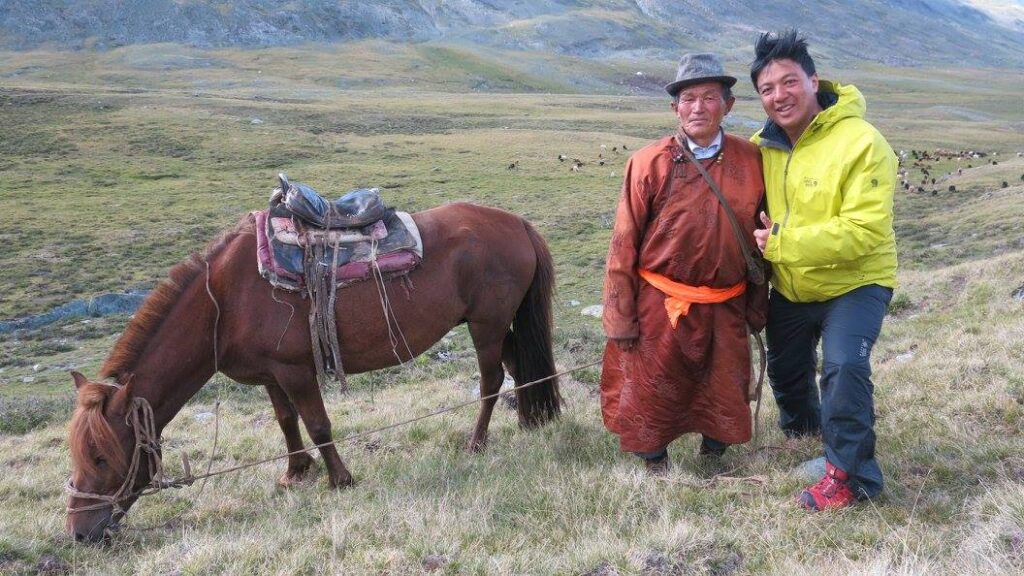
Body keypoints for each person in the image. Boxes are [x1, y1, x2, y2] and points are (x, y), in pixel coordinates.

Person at [749, 30, 898, 511]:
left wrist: (782, 244)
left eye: (789, 82)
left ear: (814, 81)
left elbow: (864, 231)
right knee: (787, 368)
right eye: (767, 89)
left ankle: (853, 479)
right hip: (794, 285)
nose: (779, 96)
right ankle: (805, 434)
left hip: (856, 282)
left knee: (844, 368)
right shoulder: (763, 147)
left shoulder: (863, 142)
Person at [601, 53, 768, 473]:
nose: (698, 107)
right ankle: (655, 463)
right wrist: (619, 318)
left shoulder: (753, 161)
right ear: (675, 108)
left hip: (727, 300)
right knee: (654, 388)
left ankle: (714, 456)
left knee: (724, 384)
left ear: (727, 105)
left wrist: (757, 305)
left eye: (709, 97)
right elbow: (623, 243)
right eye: (688, 98)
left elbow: (763, 240)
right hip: (659, 304)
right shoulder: (647, 162)